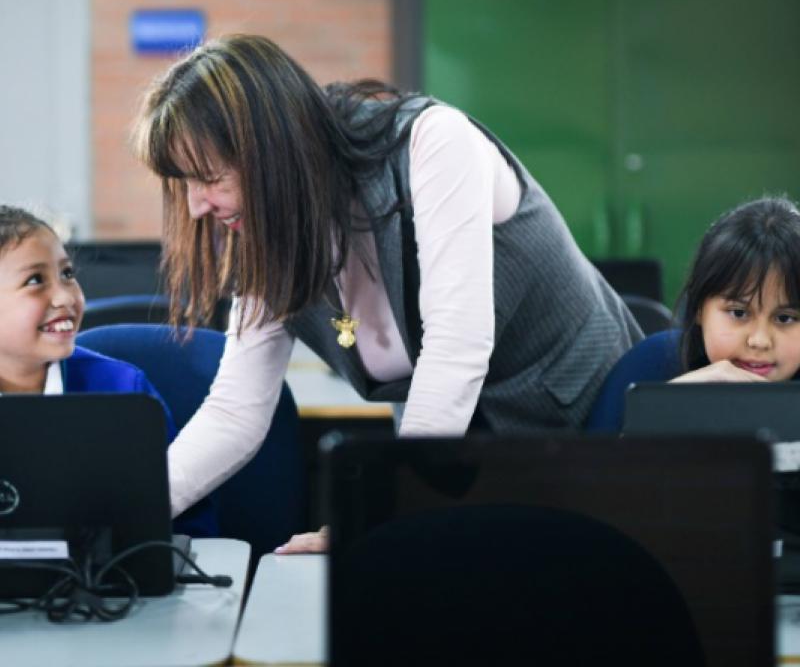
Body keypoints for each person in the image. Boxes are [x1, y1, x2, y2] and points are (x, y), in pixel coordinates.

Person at [131, 33, 642, 551]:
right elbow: (235, 412)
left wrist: (379, 513)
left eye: (210, 177)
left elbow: (454, 348)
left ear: (271, 150)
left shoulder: (432, 143)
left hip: (589, 432)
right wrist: (123, 515)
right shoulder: (270, 237)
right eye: (185, 184)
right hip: (461, 462)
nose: (197, 205)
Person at [0, 205, 216, 537]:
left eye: (67, 274)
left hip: (114, 584)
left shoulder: (123, 390)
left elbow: (187, 525)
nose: (65, 296)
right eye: (35, 280)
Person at [670, 196, 800, 385]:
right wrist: (670, 401)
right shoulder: (647, 367)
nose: (760, 341)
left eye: (785, 318)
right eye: (738, 313)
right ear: (698, 307)